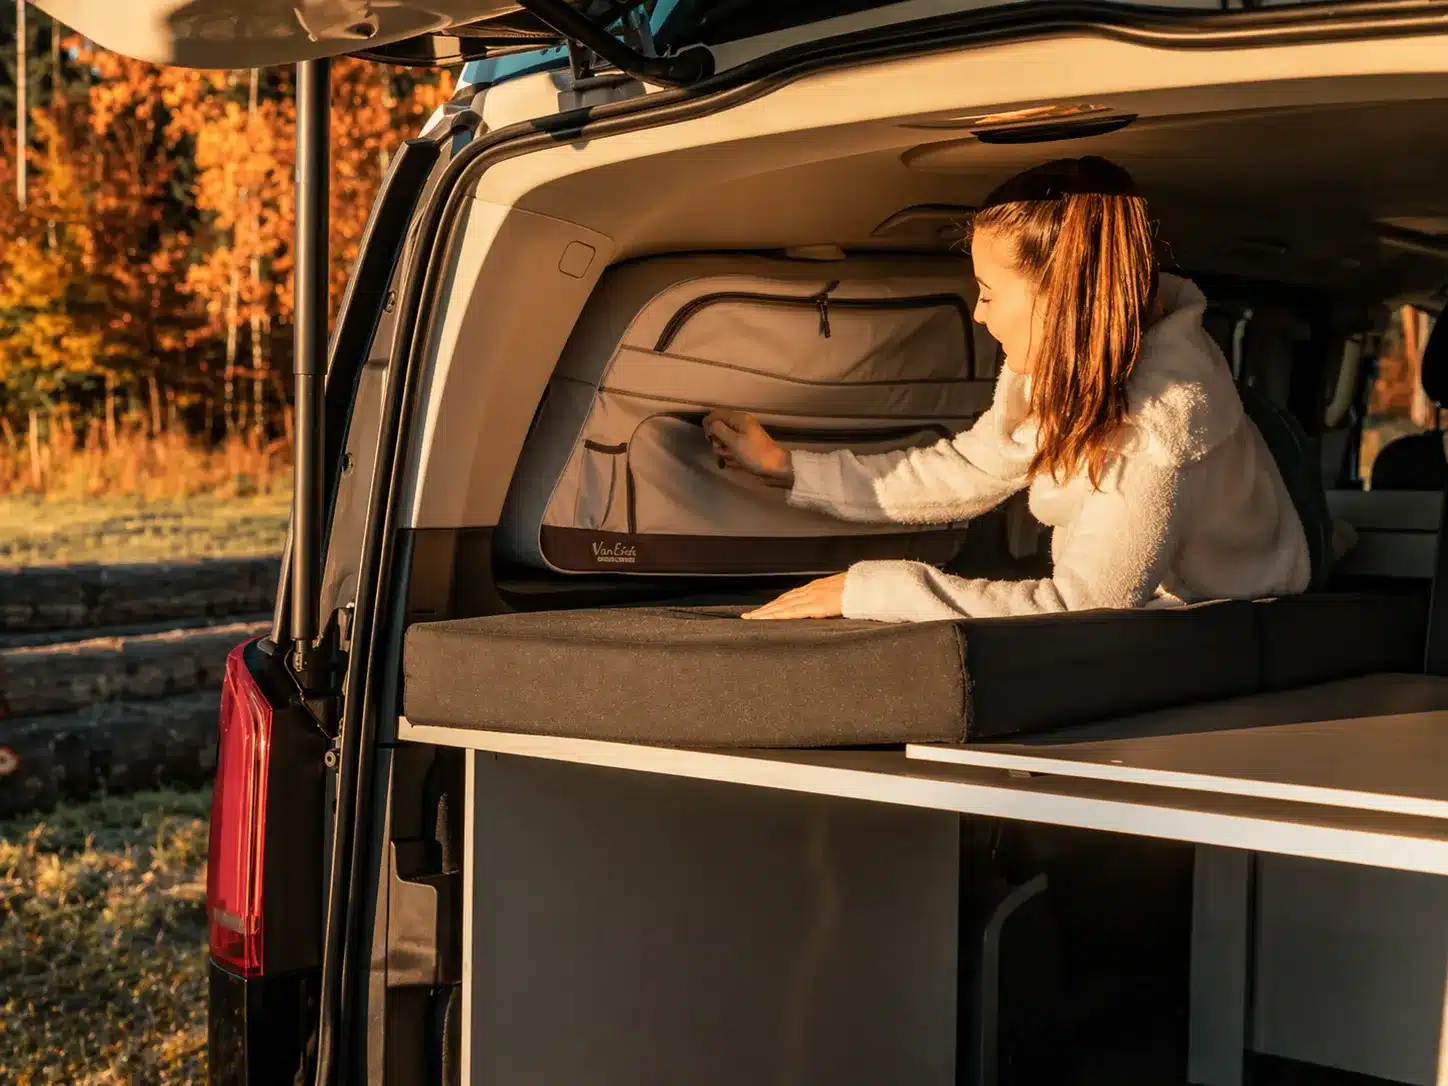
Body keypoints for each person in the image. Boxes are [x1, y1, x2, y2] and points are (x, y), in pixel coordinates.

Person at [704, 155, 1310, 622]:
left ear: (1062, 300)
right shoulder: (1064, 366)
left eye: (990, 293)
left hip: (1236, 631)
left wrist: (874, 588)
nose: (978, 315)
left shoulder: (1156, 430)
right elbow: (970, 467)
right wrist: (788, 468)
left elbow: (1083, 608)